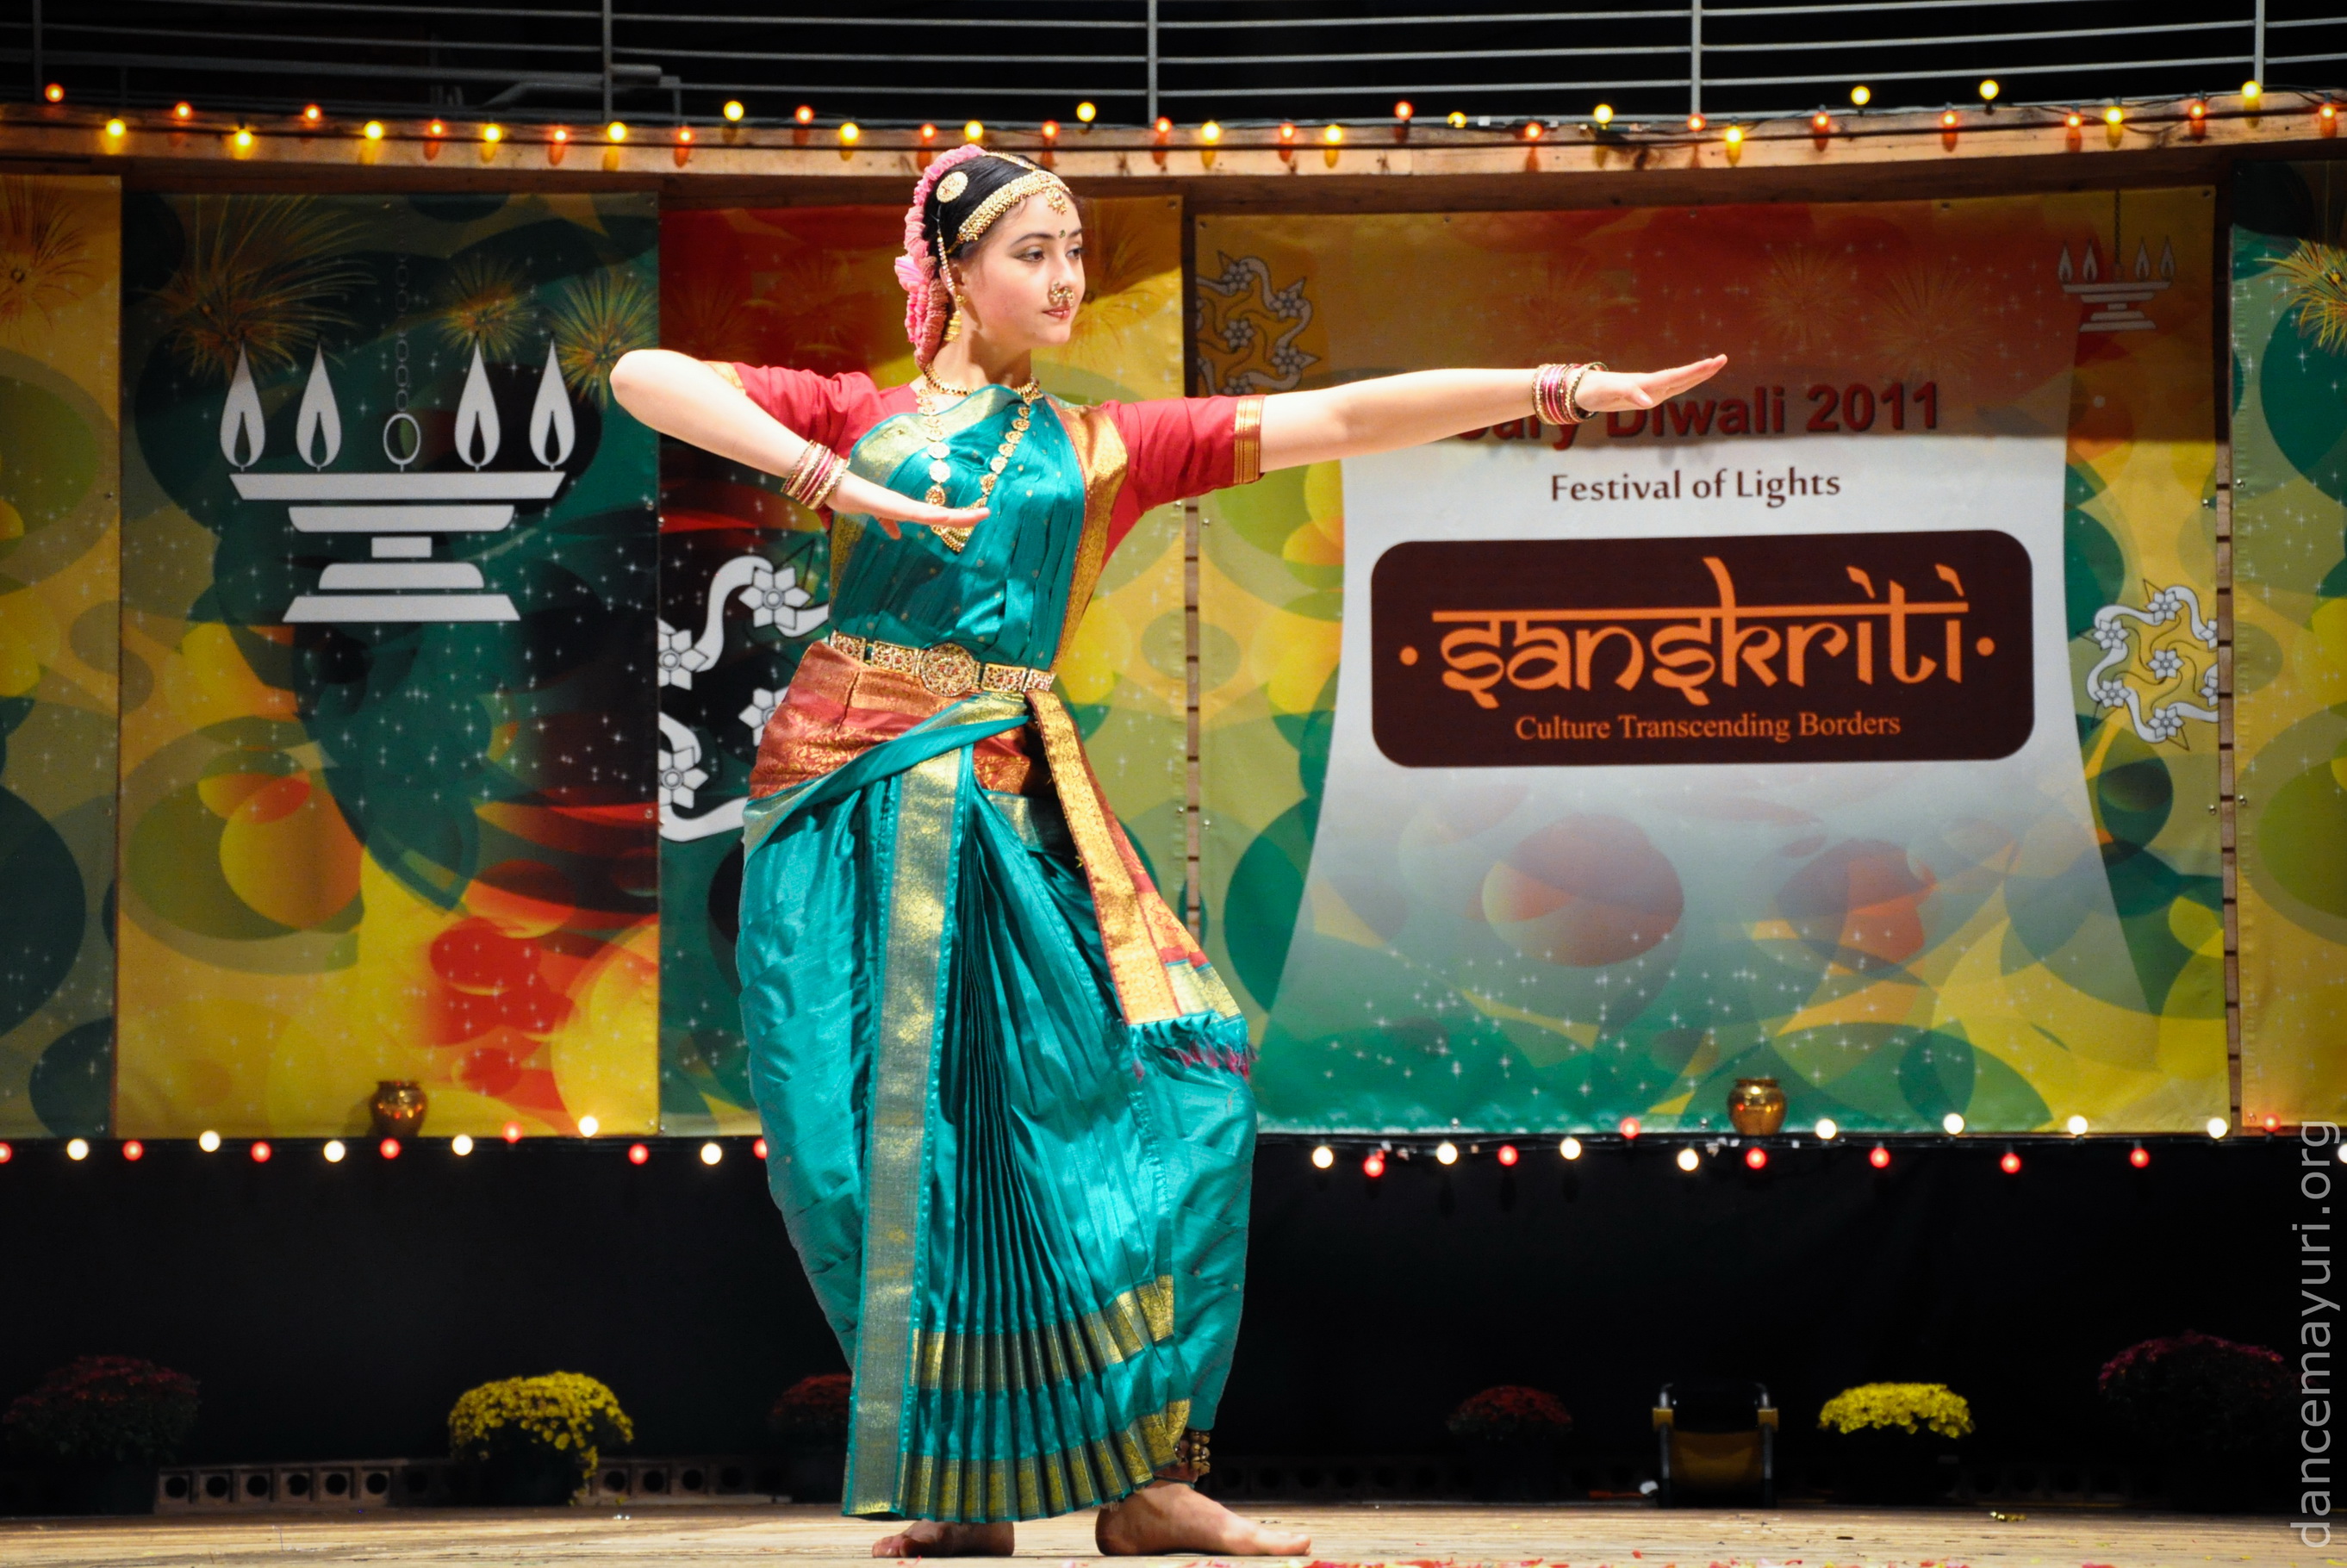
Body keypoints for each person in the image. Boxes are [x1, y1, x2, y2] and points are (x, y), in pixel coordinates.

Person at [611, 145, 1724, 1559]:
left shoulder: (1106, 447)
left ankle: (1148, 1480)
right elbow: (645, 373)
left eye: (1076, 251)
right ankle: (970, 1493)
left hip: (1011, 805)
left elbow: (1339, 416)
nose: (1065, 278)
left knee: (1187, 1077)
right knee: (885, 1148)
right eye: (1032, 251)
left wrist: (1554, 389)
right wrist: (832, 477)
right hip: (851, 805)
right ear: (950, 267)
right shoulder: (863, 416)